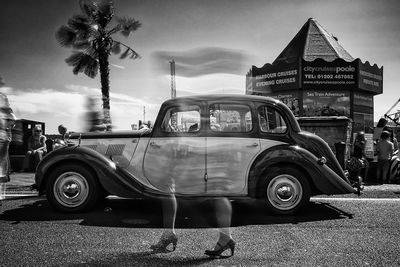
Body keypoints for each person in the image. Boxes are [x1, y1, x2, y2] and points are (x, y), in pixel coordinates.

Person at [0, 93, 16, 205]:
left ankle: (1, 194)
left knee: (2, 165)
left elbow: (13, 119)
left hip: (3, 138)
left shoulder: (5, 106)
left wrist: (7, 125)